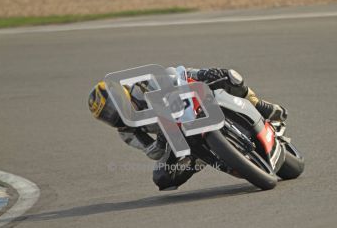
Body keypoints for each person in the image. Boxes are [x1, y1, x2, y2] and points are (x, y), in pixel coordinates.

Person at [88, 66, 287, 191]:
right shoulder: (127, 132)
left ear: (122, 95)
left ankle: (260, 105)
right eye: (107, 117)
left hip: (193, 105)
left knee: (231, 77)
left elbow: (175, 75)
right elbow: (152, 152)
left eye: (112, 109)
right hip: (175, 139)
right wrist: (161, 143)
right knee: (161, 178)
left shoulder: (142, 86)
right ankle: (202, 157)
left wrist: (201, 75)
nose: (113, 117)